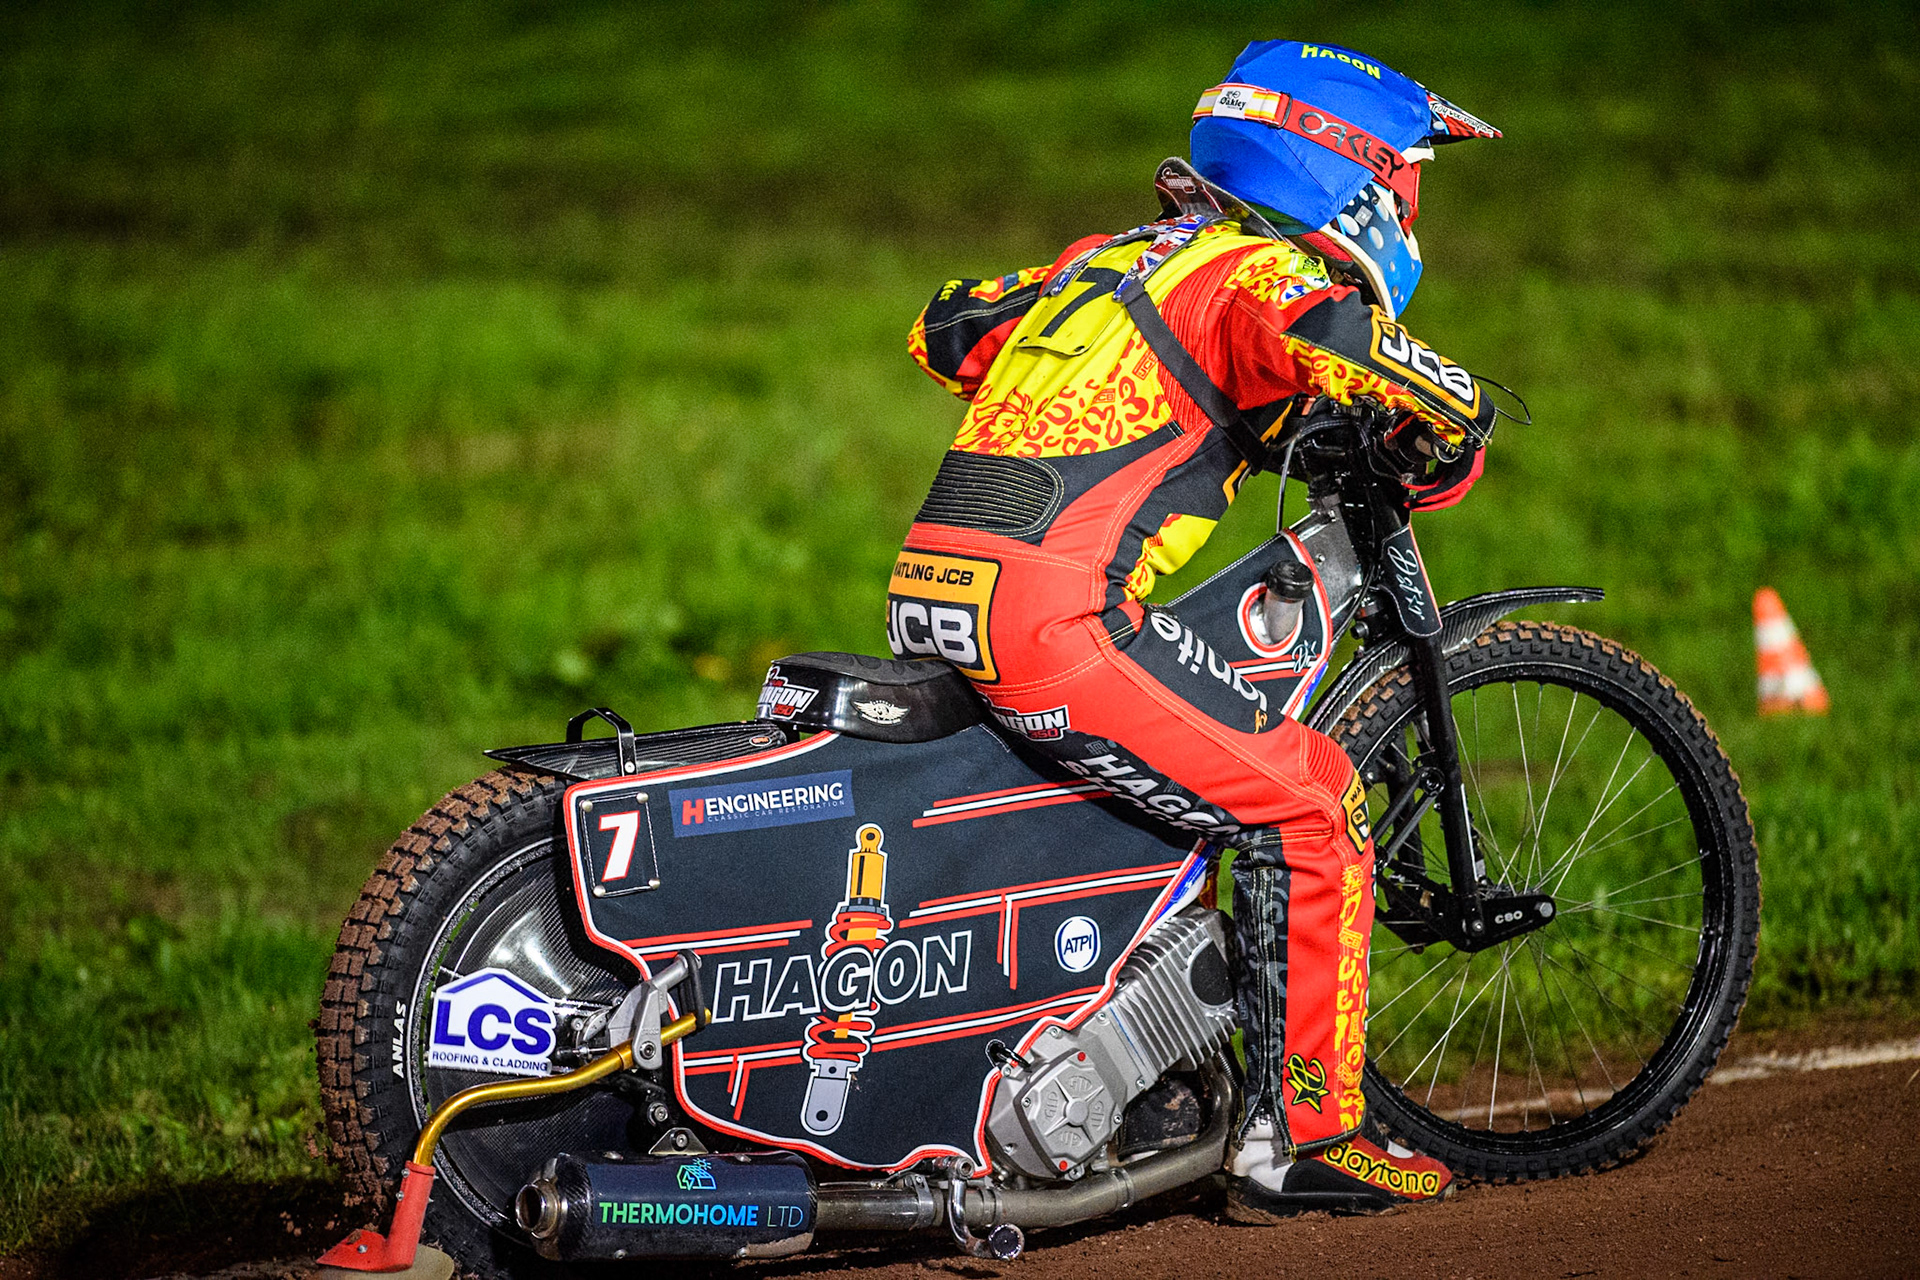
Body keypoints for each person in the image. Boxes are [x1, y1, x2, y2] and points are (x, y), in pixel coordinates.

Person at [891, 38, 1503, 1220]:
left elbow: (944, 331)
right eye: (1410, 183)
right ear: (1352, 177)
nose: (1412, 213)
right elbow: (1341, 348)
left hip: (938, 588)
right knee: (1313, 799)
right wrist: (1462, 405)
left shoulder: (1118, 255)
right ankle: (1304, 1139)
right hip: (1049, 620)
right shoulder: (1256, 274)